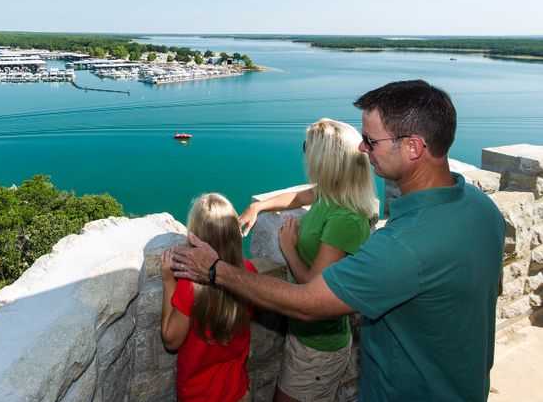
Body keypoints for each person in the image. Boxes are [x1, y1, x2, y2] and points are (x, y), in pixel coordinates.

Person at [171, 80, 506, 402]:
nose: (362, 148)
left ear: (413, 147)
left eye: (370, 141)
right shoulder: (481, 209)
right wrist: (260, 205)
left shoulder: (403, 246)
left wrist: (216, 270)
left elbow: (308, 302)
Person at [237, 118, 376, 402]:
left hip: (319, 349)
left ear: (327, 160)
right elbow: (300, 197)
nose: (306, 154)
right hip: (305, 338)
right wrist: (258, 206)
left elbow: (314, 289)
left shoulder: (345, 219)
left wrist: (288, 248)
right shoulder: (332, 192)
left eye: (308, 148)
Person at [160, 193, 259, 402]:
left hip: (198, 395)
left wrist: (169, 281)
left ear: (195, 237)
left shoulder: (190, 286)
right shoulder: (249, 273)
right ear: (233, 233)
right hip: (238, 391)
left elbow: (171, 341)